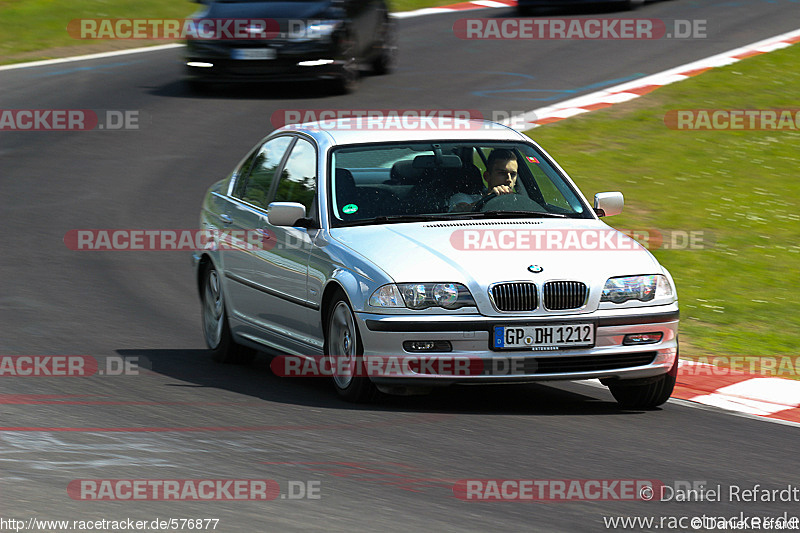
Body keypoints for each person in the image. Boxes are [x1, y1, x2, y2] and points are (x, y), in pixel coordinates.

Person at [448, 148, 518, 212]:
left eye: (512, 174)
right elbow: (459, 211)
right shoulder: (463, 197)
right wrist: (489, 198)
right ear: (487, 176)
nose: (509, 179)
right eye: (502, 173)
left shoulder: (519, 200)